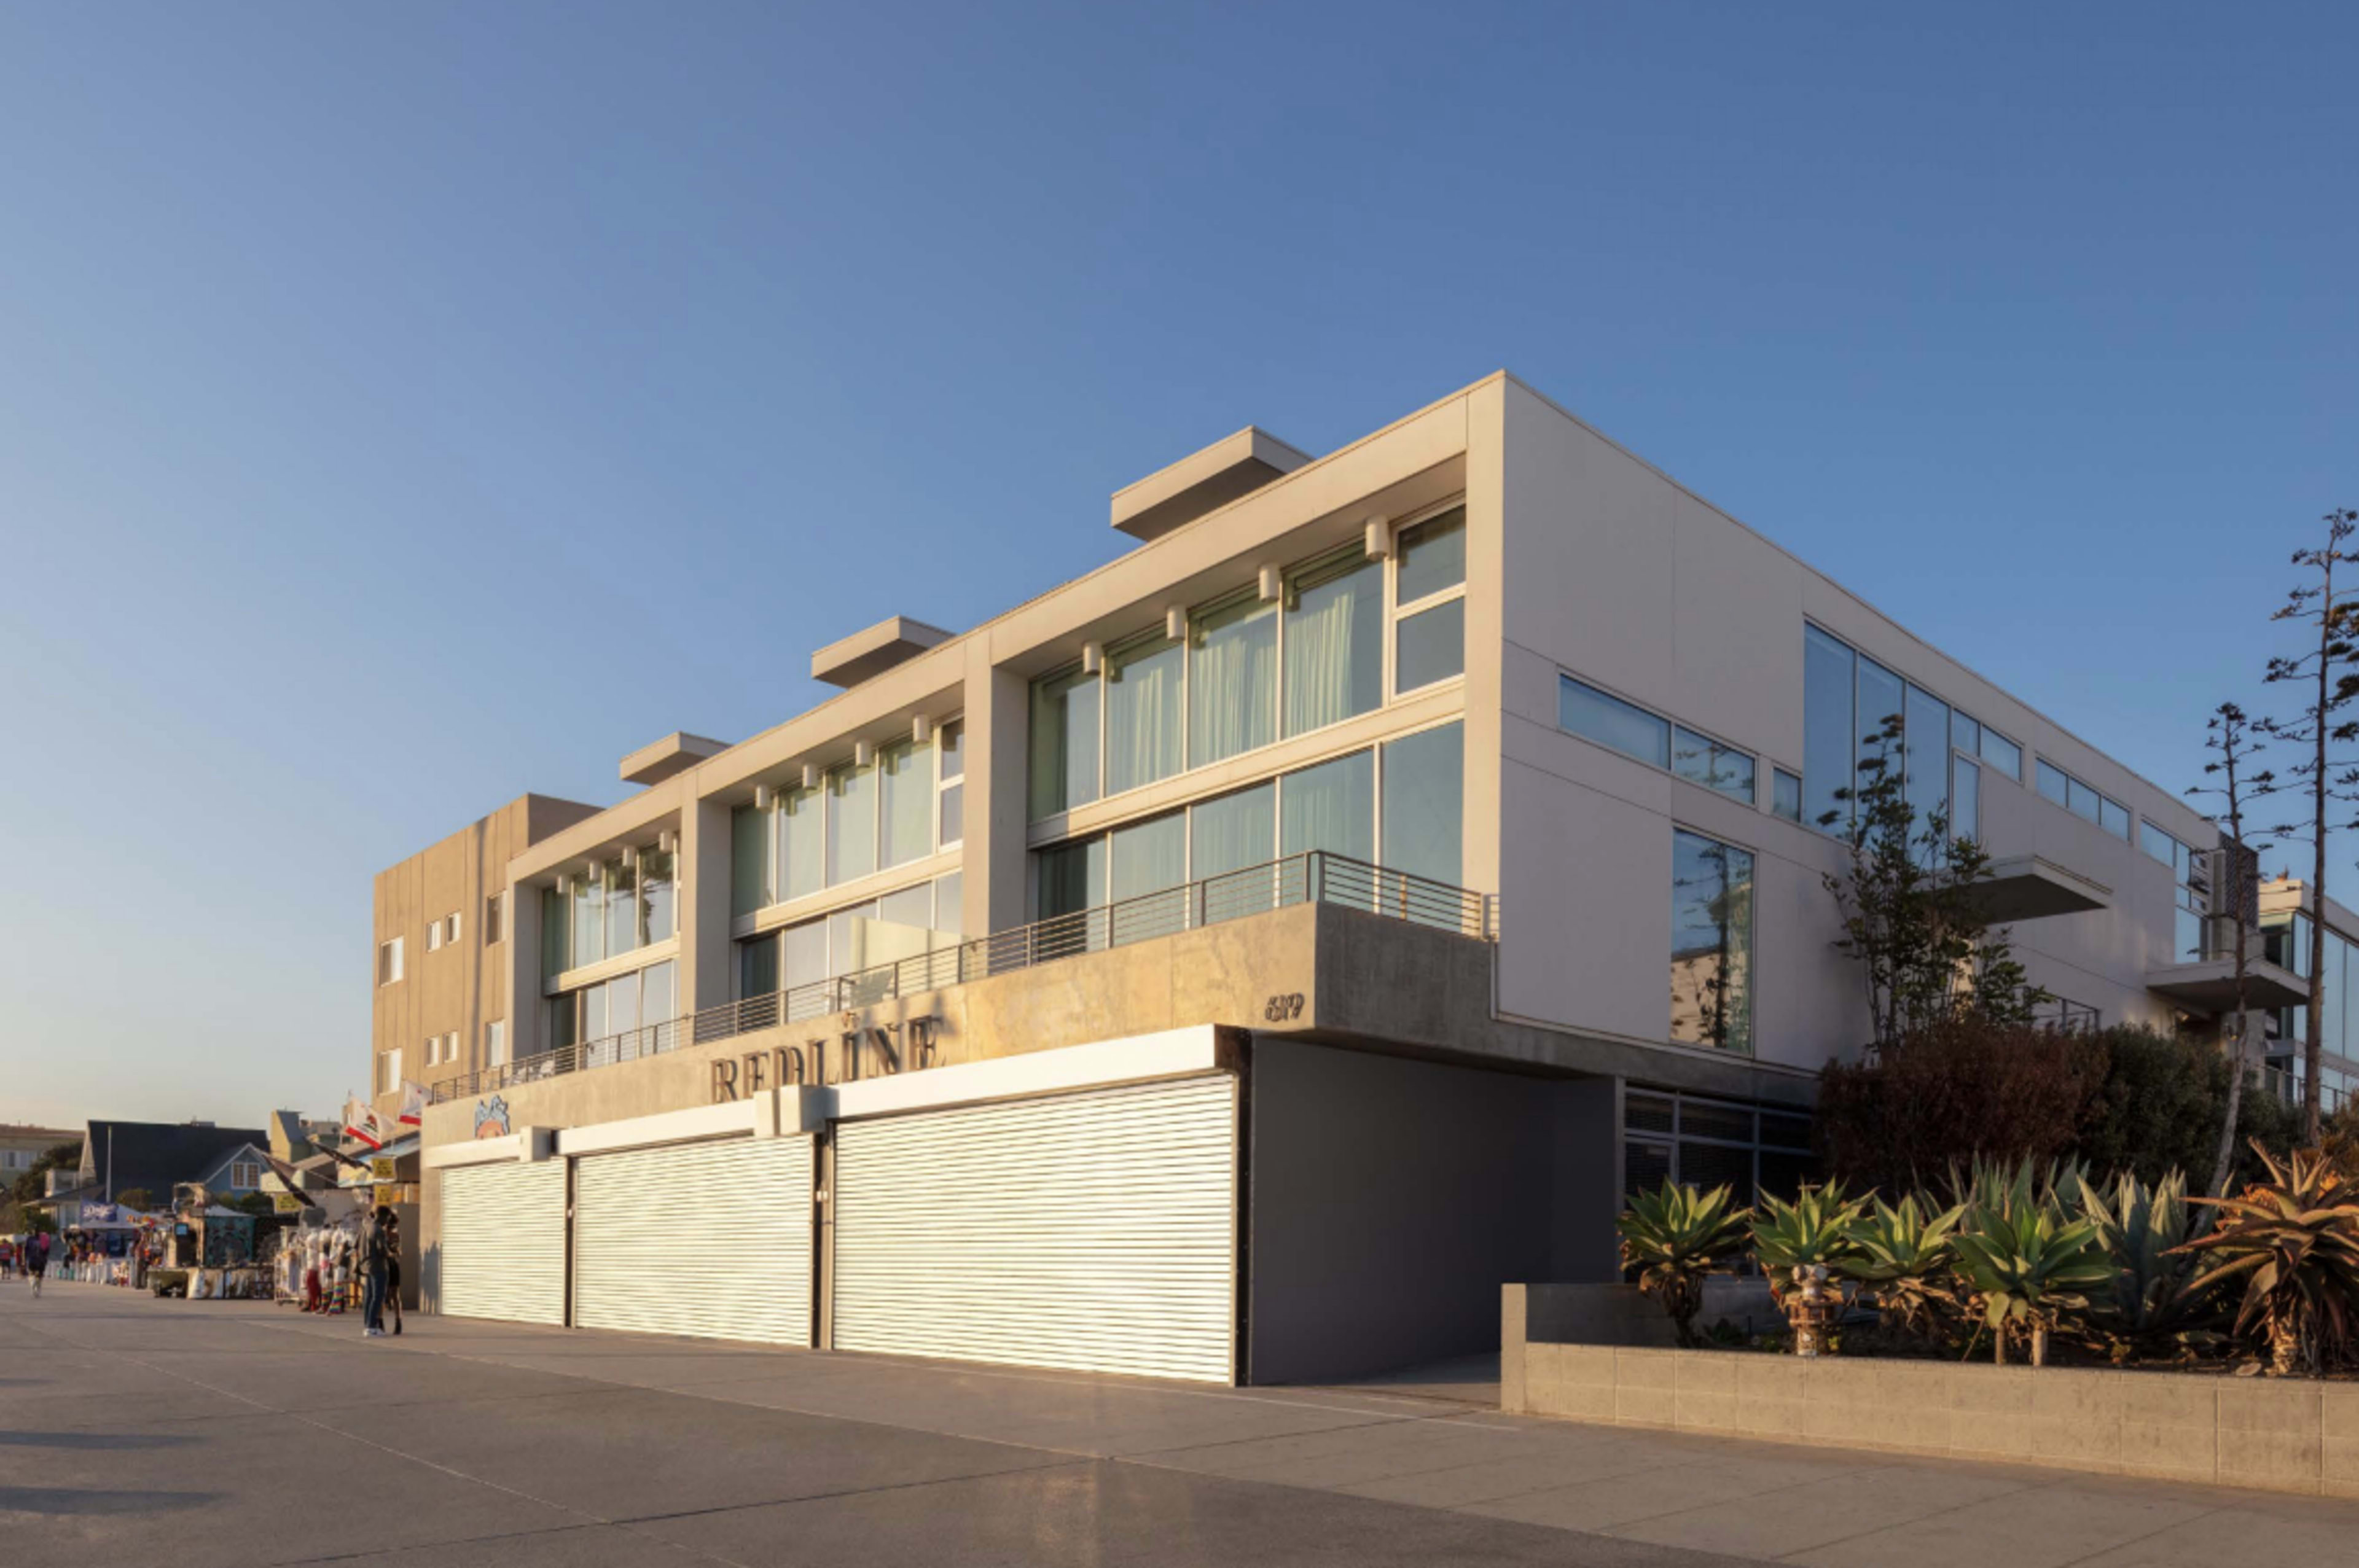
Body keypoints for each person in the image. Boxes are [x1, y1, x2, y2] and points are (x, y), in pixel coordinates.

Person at [359, 1207, 391, 1338]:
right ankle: (372, 1326)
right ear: (383, 1216)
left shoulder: (367, 1227)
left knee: (369, 1296)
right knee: (378, 1297)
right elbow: (381, 1249)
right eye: (387, 1218)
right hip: (378, 1265)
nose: (387, 1221)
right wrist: (391, 1254)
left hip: (367, 1265)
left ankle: (367, 1325)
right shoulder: (378, 1230)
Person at [381, 1213, 404, 1336]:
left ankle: (383, 1322)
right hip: (394, 1265)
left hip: (388, 1265)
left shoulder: (387, 1236)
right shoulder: (396, 1236)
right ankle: (398, 1322)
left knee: (385, 1295)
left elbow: (397, 1251)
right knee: (395, 1295)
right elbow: (399, 1252)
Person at [26, 1230, 49, 1297]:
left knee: (36, 1275)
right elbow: (26, 1249)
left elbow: (47, 1250)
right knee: (35, 1275)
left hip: (37, 1260)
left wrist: (45, 1258)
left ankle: (36, 1288)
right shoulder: (31, 1239)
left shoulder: (43, 1238)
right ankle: (35, 1288)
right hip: (36, 1260)